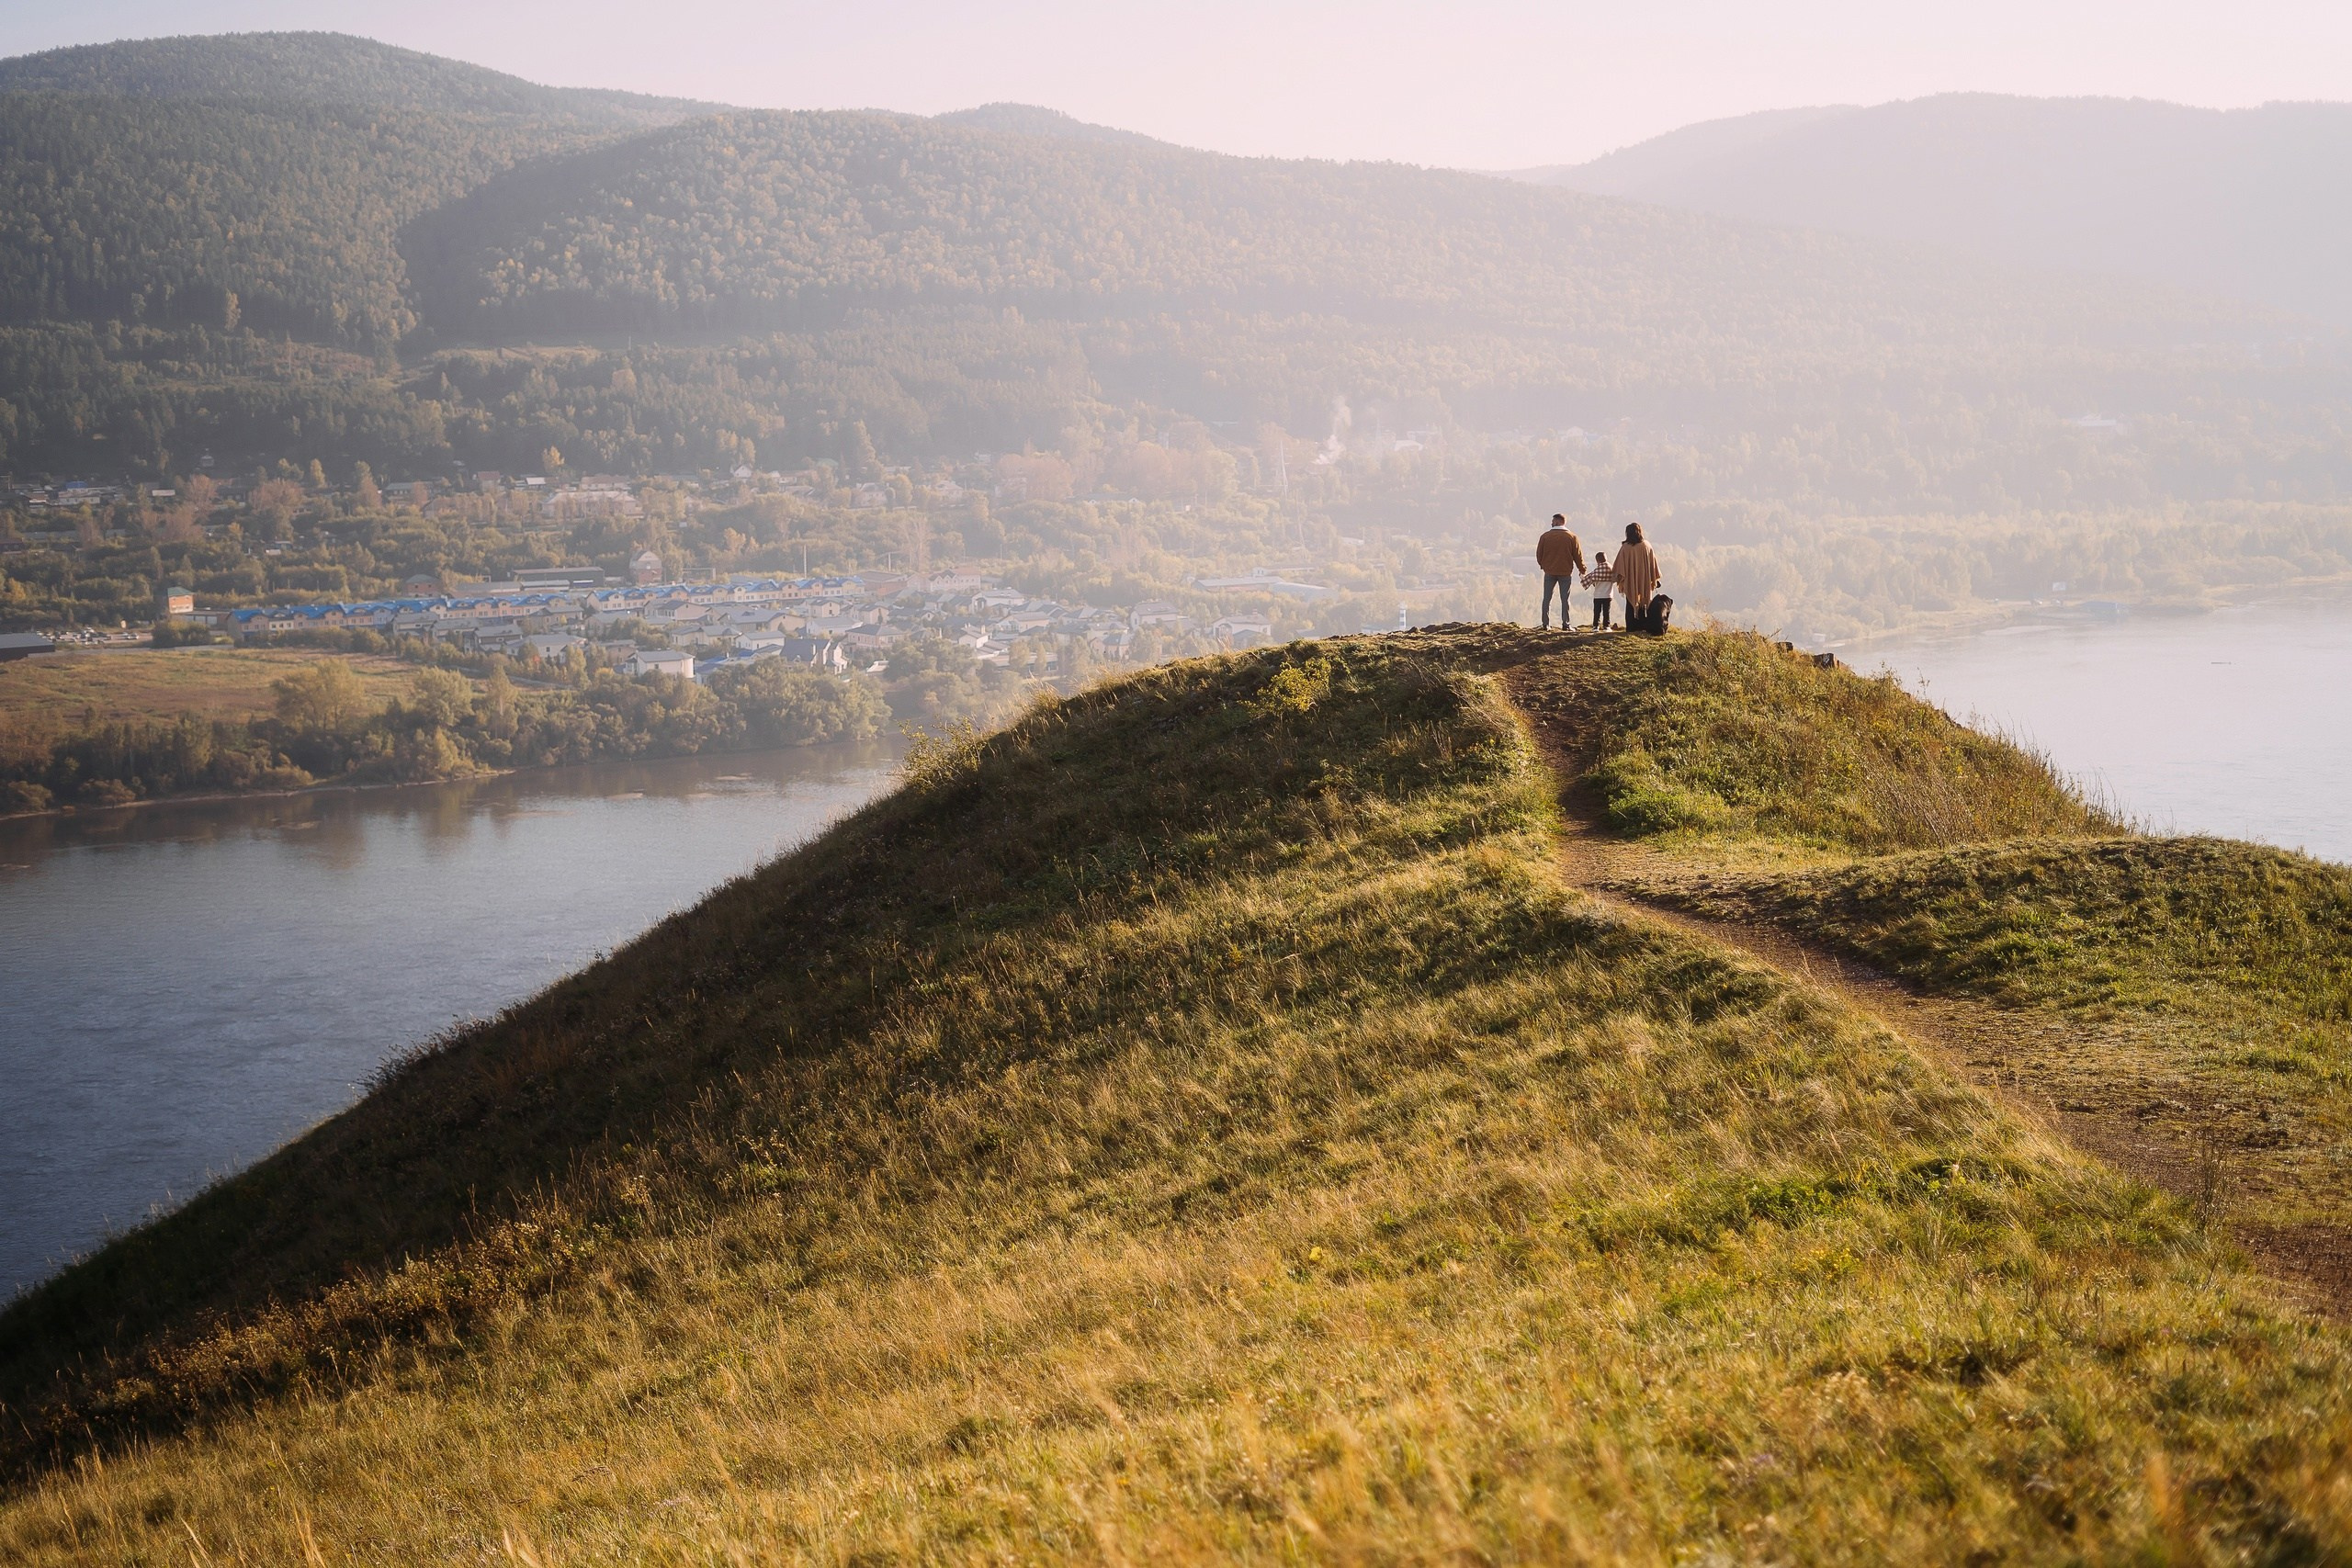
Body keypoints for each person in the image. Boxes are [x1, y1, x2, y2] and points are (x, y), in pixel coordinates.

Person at [1534, 513, 1585, 629]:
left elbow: (1539, 554)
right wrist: (1582, 569)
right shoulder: (1572, 537)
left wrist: (1544, 566)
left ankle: (1546, 624)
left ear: (1557, 522)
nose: (1551, 523)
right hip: (1565, 572)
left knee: (1546, 599)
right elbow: (1578, 556)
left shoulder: (1545, 536)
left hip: (1549, 572)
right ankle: (1566, 624)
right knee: (1565, 599)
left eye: (1553, 521)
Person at [1613, 520, 1662, 631]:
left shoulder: (1625, 547)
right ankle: (1643, 625)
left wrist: (1620, 578)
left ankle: (1631, 626)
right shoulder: (1646, 545)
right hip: (1645, 579)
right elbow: (1653, 564)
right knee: (1644, 601)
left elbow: (1619, 567)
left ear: (1628, 533)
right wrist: (1654, 578)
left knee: (1630, 603)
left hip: (1630, 580)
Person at [1584, 550, 1616, 629]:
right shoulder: (1611, 569)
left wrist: (1582, 576)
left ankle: (1596, 626)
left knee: (1597, 612)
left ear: (1597, 560)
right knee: (1606, 612)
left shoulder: (1597, 570)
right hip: (1608, 595)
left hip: (1598, 595)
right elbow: (1615, 578)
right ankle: (1606, 626)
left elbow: (1591, 580)